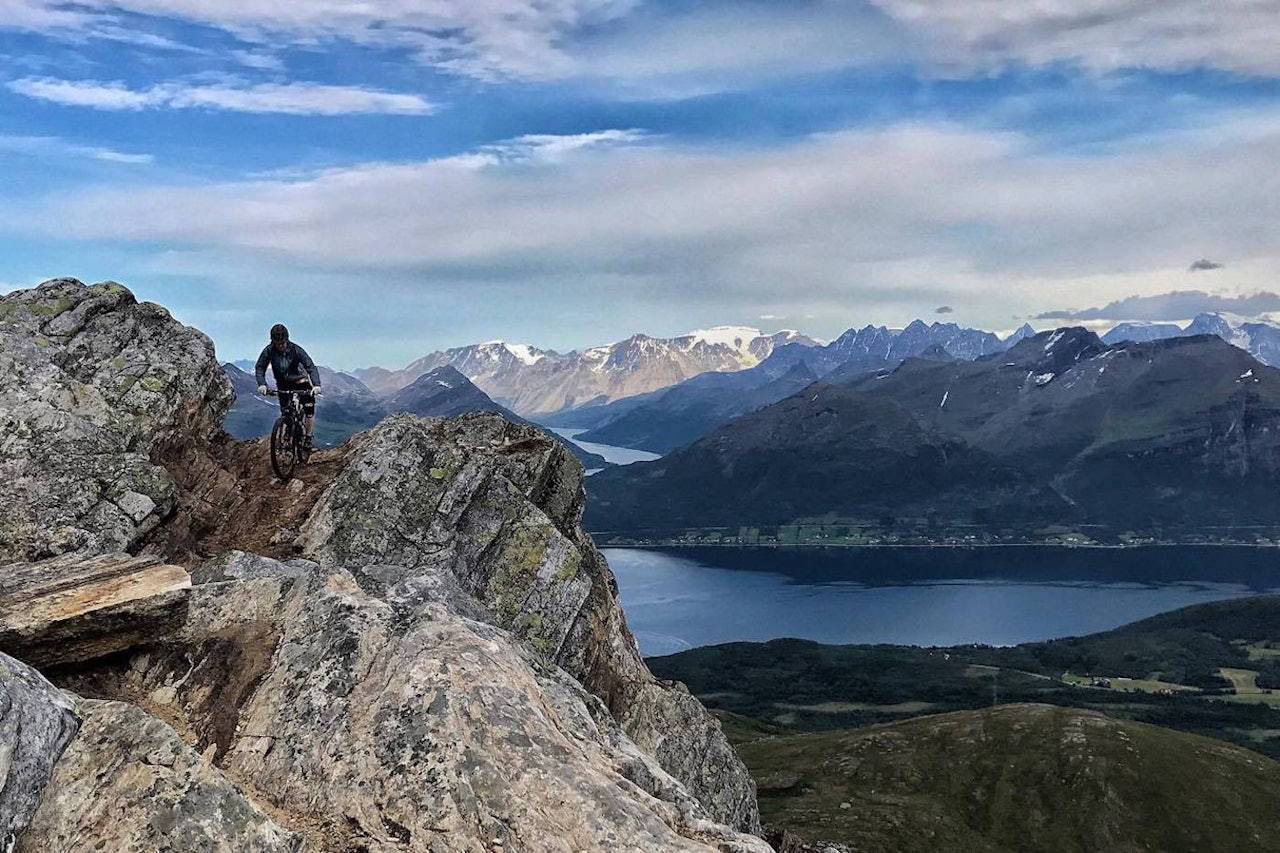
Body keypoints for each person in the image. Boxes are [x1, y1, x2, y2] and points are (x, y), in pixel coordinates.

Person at [255, 323, 322, 450]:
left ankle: (308, 438)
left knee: (309, 410)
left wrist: (316, 385)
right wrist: (262, 384)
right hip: (283, 383)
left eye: (282, 343)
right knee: (286, 411)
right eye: (277, 343)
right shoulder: (269, 351)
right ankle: (288, 430)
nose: (280, 346)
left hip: (300, 381)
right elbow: (260, 367)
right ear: (273, 342)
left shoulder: (296, 350)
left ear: (287, 340)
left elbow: (310, 366)